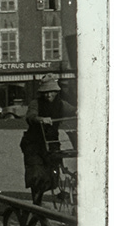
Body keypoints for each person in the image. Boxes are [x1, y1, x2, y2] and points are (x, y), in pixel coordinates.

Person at [20, 78, 76, 207]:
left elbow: (73, 110)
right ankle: (37, 204)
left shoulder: (61, 104)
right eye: (45, 92)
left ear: (56, 92)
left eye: (51, 92)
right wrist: (40, 119)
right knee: (36, 174)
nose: (48, 95)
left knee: (52, 173)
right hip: (34, 143)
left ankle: (42, 198)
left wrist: (78, 111)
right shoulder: (36, 103)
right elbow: (31, 116)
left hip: (51, 143)